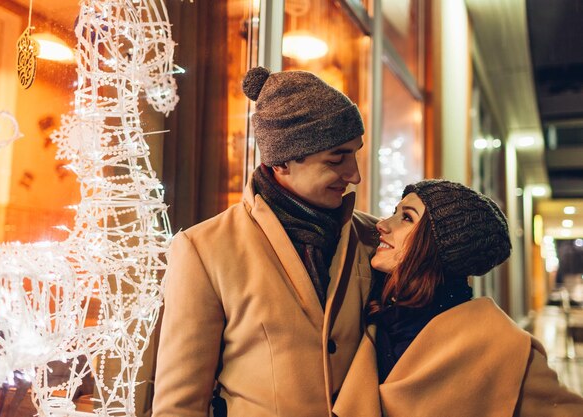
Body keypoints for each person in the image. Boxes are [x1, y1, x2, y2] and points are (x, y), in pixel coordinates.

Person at [152, 66, 379, 417]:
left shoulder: (375, 239)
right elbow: (180, 405)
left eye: (355, 153)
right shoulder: (204, 249)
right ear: (282, 161)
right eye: (337, 159)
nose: (355, 175)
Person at [332, 179, 583, 417]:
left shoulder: (501, 346)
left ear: (439, 246)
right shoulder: (375, 315)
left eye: (406, 217)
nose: (383, 224)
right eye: (394, 212)